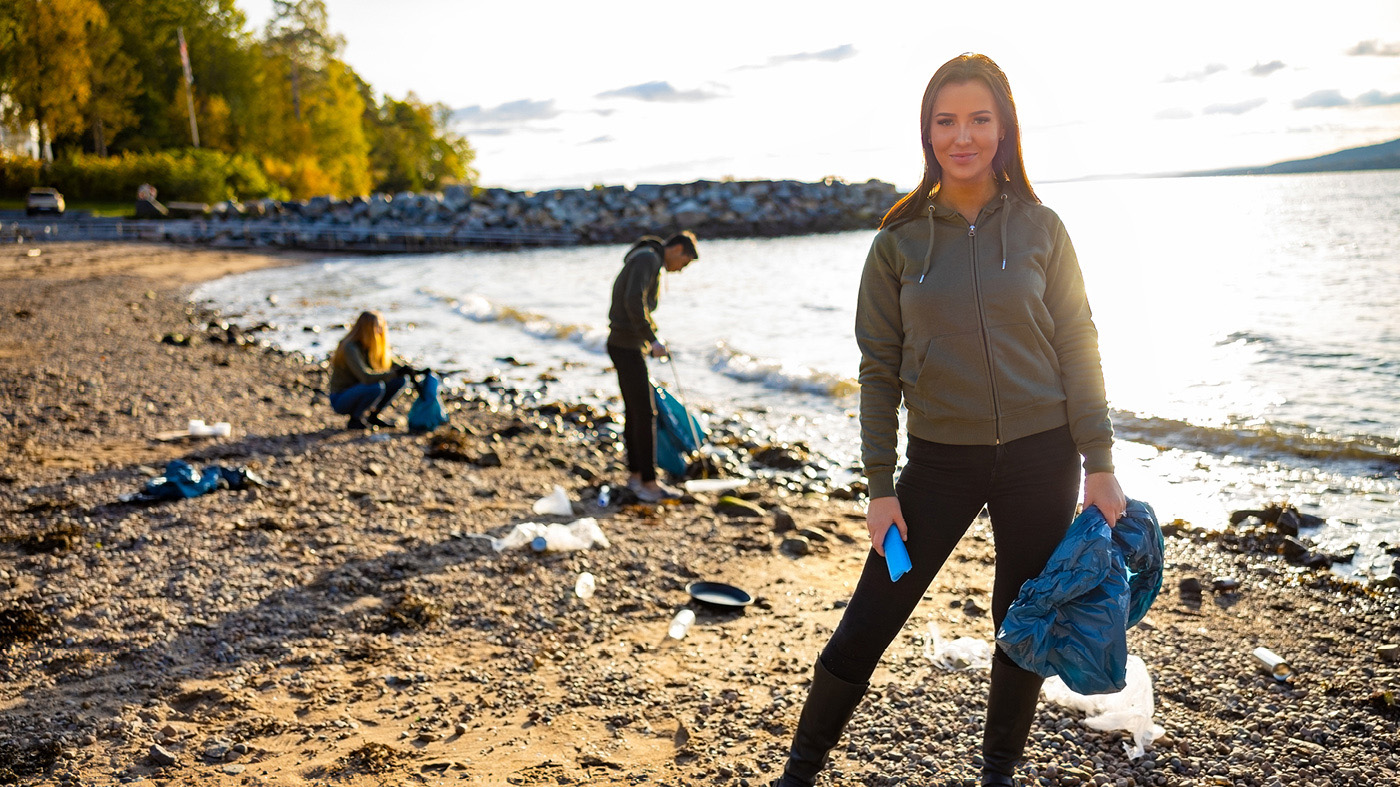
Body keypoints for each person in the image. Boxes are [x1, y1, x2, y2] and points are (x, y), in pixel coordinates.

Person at [772, 54, 1127, 787]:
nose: (962, 136)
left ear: (1005, 129)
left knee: (1020, 622)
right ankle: (799, 773)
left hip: (1043, 456)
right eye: (945, 121)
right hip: (938, 462)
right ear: (927, 131)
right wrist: (879, 485)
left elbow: (1078, 341)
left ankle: (998, 772)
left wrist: (1099, 461)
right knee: (872, 614)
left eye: (979, 119)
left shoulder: (1042, 228)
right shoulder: (898, 241)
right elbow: (878, 370)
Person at [606, 230, 700, 503]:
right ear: (678, 250)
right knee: (645, 414)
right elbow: (633, 301)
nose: (680, 270)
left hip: (624, 344)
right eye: (684, 263)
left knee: (636, 413)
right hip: (627, 346)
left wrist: (651, 335)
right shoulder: (648, 259)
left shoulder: (645, 257)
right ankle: (648, 483)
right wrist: (651, 339)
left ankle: (636, 477)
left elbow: (635, 305)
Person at [328, 310, 416, 430]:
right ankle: (355, 419)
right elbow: (366, 378)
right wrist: (395, 373)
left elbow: (394, 364)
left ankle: (374, 416)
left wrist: (411, 372)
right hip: (341, 398)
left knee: (400, 380)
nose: (380, 331)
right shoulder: (350, 347)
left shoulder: (372, 346)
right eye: (377, 328)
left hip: (360, 389)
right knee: (376, 387)